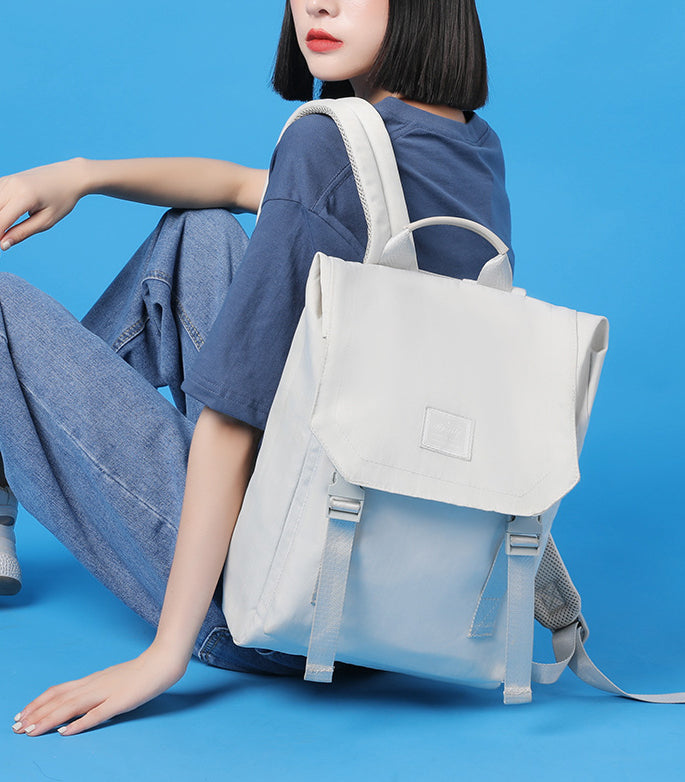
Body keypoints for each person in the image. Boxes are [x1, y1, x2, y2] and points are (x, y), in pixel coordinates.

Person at [3, 0, 512, 737]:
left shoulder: (325, 143)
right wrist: (82, 175)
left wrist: (165, 657)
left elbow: (233, 417)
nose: (319, 5)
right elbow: (252, 189)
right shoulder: (465, 141)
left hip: (268, 609)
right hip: (392, 607)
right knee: (201, 232)